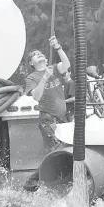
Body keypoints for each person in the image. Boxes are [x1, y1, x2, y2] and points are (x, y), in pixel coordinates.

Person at [23, 35, 70, 191]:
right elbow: (36, 96)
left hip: (62, 118)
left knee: (60, 151)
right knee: (56, 152)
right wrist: (45, 78)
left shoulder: (55, 68)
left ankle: (54, 181)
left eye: (41, 53)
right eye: (36, 55)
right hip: (47, 119)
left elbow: (67, 64)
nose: (40, 54)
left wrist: (57, 46)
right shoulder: (32, 77)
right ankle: (33, 183)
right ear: (31, 63)